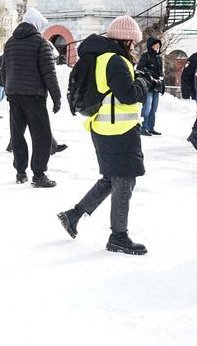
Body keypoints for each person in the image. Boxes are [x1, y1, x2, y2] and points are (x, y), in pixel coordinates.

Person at [57, 15, 152, 255]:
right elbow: (128, 95)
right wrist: (143, 82)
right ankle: (118, 236)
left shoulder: (102, 57)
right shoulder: (116, 61)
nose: (135, 46)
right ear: (127, 39)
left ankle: (73, 215)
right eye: (134, 41)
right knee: (125, 179)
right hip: (118, 128)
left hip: (104, 125)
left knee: (112, 178)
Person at [2, 7, 60, 187]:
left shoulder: (10, 42)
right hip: (34, 95)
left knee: (17, 134)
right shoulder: (41, 43)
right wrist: (56, 97)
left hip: (14, 94)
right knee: (41, 135)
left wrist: (8, 89)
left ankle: (20, 173)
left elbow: (4, 69)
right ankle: (39, 175)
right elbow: (49, 72)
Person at [136, 36, 164, 136]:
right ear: (150, 46)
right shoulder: (145, 56)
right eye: (155, 45)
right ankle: (143, 128)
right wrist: (151, 73)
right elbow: (139, 68)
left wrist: (162, 85)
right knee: (146, 108)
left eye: (158, 45)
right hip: (148, 85)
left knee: (154, 109)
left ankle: (150, 127)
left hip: (157, 86)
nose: (157, 46)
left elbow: (161, 73)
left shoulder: (159, 57)